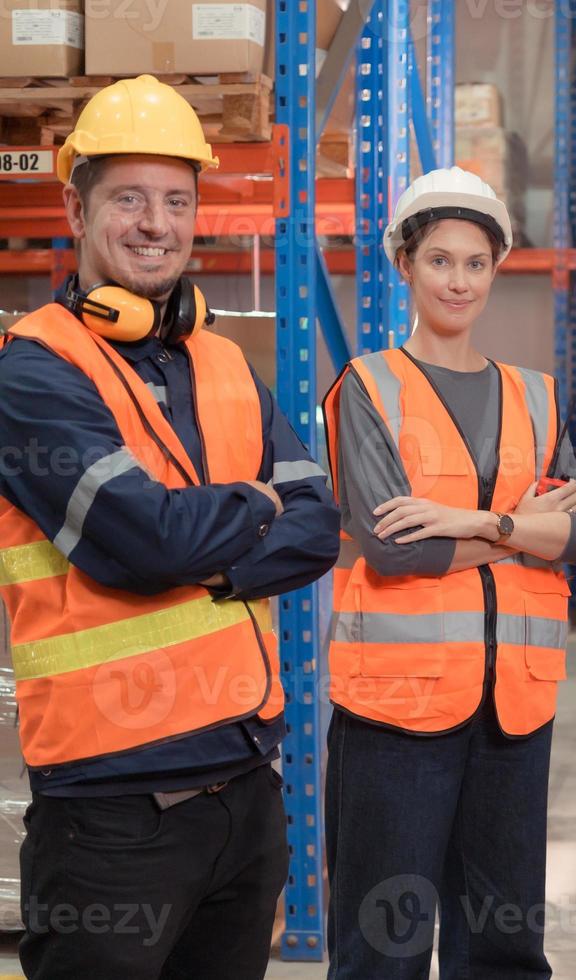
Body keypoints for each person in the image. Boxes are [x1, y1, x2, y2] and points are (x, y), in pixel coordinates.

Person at [0, 75, 340, 978]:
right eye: (130, 199)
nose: (156, 223)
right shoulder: (35, 371)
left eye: (177, 201)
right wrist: (251, 507)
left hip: (244, 798)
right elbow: (146, 544)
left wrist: (212, 548)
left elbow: (318, 526)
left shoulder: (223, 360)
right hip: (111, 817)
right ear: (76, 208)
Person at [321, 166, 576, 980]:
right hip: (396, 717)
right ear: (404, 265)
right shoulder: (369, 388)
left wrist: (484, 523)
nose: (458, 280)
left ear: (496, 268)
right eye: (439, 260)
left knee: (505, 949)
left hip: (513, 713)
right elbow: (395, 548)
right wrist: (532, 531)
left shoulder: (539, 398)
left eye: (475, 262)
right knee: (384, 947)